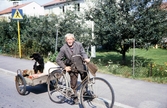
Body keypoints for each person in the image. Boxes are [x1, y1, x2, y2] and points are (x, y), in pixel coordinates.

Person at [56, 33, 90, 103]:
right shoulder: (63, 48)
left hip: (80, 64)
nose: (69, 41)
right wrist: (65, 67)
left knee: (85, 78)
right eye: (68, 39)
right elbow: (58, 59)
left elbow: (83, 52)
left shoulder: (79, 45)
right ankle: (74, 97)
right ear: (66, 40)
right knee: (73, 83)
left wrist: (86, 58)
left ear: (73, 39)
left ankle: (84, 93)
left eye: (71, 39)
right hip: (71, 66)